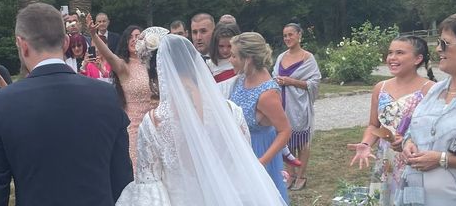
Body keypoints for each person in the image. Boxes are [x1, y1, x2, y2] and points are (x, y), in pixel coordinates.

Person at [0, 3, 132, 206]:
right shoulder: (106, 95)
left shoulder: (1, 104)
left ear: (22, 44)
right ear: (67, 42)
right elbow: (122, 180)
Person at [116, 34, 287, 206]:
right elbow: (241, 165)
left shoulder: (153, 123)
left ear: (156, 74)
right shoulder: (231, 111)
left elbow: (150, 184)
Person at [347, 35, 435, 205]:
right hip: (386, 159)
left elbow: (434, 130)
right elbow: (374, 125)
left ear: (418, 58)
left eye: (400, 53)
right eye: (390, 53)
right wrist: (365, 144)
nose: (392, 58)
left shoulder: (430, 89)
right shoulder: (381, 87)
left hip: (413, 159)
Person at [400, 11, 456, 206]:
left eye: (444, 43)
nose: (437, 49)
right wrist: (408, 143)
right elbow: (414, 128)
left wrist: (443, 159)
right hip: (417, 197)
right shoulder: (436, 90)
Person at [229, 32, 291, 203]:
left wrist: (261, 162)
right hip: (240, 149)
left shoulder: (267, 94)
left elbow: (285, 131)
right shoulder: (242, 79)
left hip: (258, 150)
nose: (230, 59)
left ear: (248, 59)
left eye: (234, 56)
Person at [87, 14, 148, 167]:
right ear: (126, 42)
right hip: (135, 129)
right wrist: (94, 35)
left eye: (139, 36)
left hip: (156, 127)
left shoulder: (153, 66)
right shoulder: (123, 66)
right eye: (131, 37)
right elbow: (108, 55)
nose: (135, 39)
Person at [272, 22, 321, 191]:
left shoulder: (308, 58)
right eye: (285, 35)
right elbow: (274, 76)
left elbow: (314, 82)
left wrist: (291, 81)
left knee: (302, 141)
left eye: (290, 34)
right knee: (286, 141)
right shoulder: (280, 57)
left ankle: (301, 175)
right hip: (282, 104)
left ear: (299, 35)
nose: (287, 38)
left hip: (299, 105)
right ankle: (290, 174)